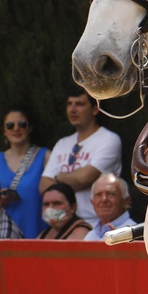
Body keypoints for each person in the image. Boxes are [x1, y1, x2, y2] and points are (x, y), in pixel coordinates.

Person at [40, 88, 122, 226]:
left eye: (79, 104)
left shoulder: (108, 139)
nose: (72, 109)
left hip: (97, 224)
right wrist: (71, 180)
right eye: (69, 104)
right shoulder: (62, 143)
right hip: (65, 225)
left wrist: (57, 178)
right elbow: (43, 186)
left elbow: (84, 178)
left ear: (94, 109)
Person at [0, 107, 50, 240]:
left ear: (29, 128)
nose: (16, 129)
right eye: (10, 125)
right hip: (5, 233)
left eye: (22, 124)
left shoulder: (45, 156)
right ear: (4, 131)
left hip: (37, 230)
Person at [84, 173, 137, 241]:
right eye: (98, 194)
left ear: (126, 201)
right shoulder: (90, 236)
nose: (104, 199)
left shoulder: (135, 234)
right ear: (92, 202)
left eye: (111, 194)